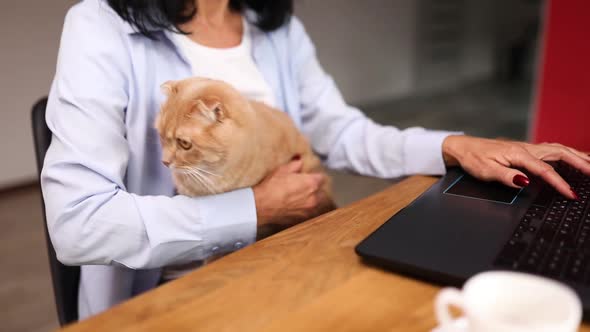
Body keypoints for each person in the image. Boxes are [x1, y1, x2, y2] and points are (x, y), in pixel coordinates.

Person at [42, 0, 590, 319]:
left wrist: (454, 146)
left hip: (280, 268)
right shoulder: (100, 25)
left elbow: (341, 131)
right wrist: (254, 208)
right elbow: (77, 224)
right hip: (170, 297)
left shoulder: (272, 26)